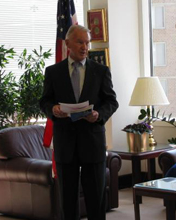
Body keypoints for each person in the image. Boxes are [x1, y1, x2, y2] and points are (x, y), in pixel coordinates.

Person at [39, 25, 118, 220]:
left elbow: (111, 101)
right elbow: (45, 101)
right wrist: (53, 110)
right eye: (80, 42)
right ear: (67, 44)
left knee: (96, 200)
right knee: (68, 201)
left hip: (92, 142)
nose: (85, 47)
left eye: (87, 42)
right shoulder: (53, 72)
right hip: (66, 145)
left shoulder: (100, 71)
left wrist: (99, 114)